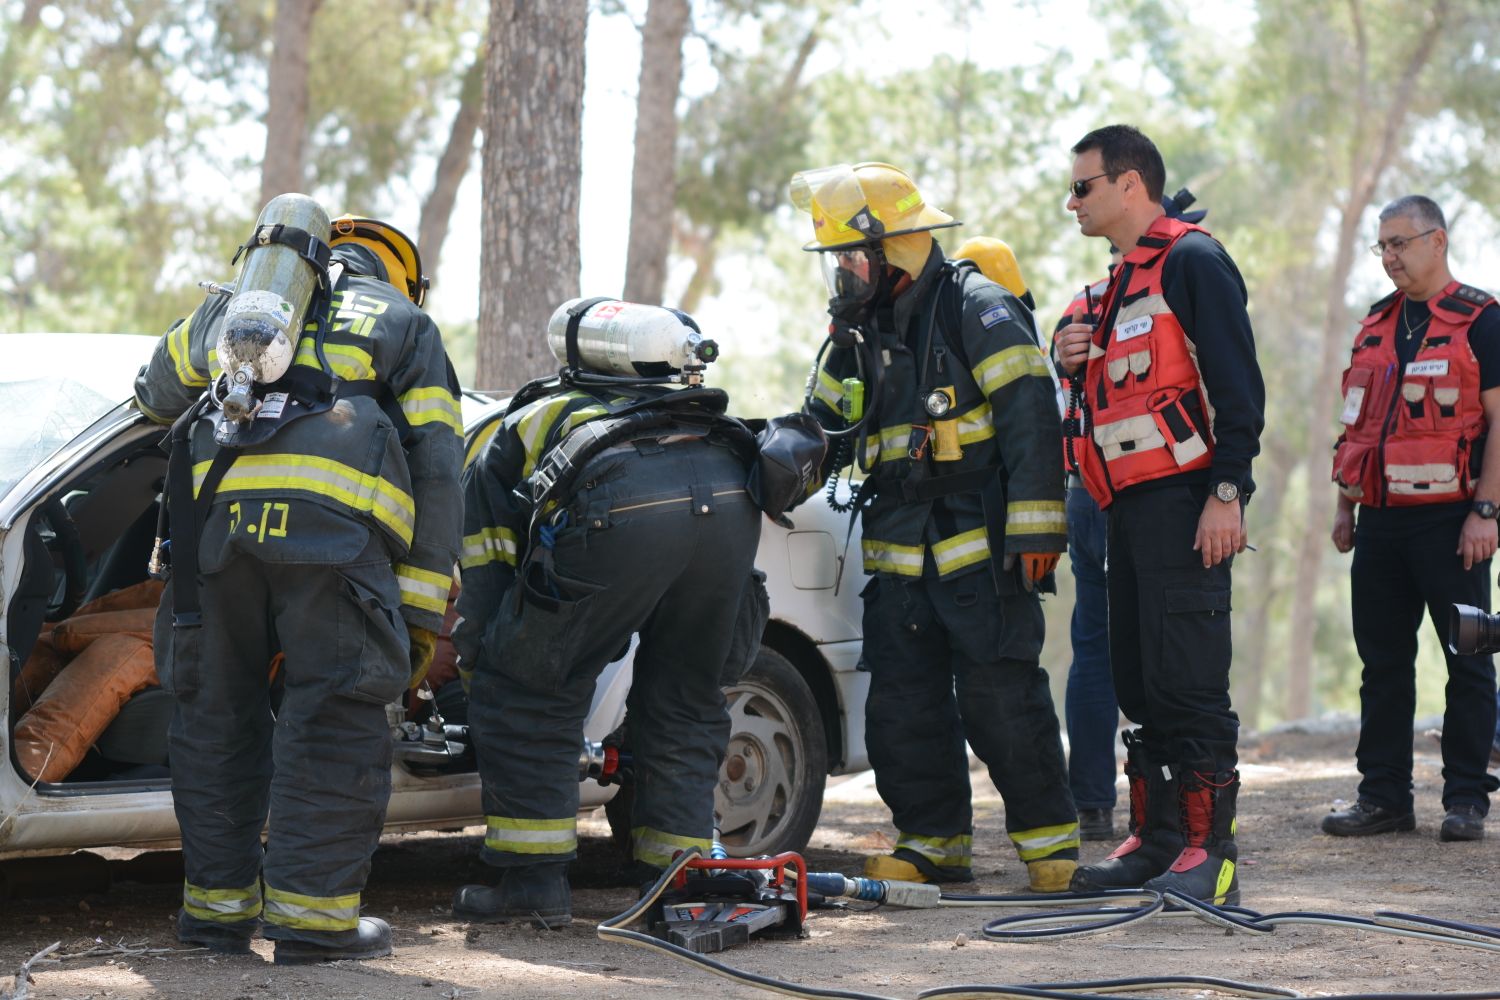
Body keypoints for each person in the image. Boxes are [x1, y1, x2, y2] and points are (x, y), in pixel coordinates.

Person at [134, 208, 463, 962]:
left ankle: (215, 915)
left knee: (215, 715)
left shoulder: (231, 310)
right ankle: (313, 922)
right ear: (394, 272)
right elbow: (440, 469)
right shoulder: (403, 322)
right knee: (335, 716)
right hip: (334, 547)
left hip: (214, 543)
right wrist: (415, 616)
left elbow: (156, 396)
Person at [794, 161, 1079, 892]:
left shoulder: (977, 309)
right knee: (902, 705)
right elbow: (820, 425)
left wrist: (1039, 530)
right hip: (899, 553)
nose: (844, 273)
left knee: (1002, 700)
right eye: (839, 261)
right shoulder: (857, 332)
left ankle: (1050, 847)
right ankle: (933, 843)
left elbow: (1030, 422)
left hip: (980, 549)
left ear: (896, 249)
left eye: (852, 256)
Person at [450, 300, 768, 927]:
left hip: (621, 508)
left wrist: (480, 660)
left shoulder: (527, 420)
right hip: (730, 496)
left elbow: (488, 561)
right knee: (684, 693)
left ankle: (531, 887)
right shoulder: (701, 414)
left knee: (527, 690)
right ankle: (678, 877)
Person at [1054, 126, 1264, 905]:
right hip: (1124, 510)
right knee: (1141, 683)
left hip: (1187, 504)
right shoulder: (1114, 286)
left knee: (1191, 682)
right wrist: (1066, 353)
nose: (1071, 201)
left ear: (1130, 184)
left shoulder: (1194, 261)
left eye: (1083, 186)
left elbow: (1241, 391)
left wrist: (1227, 492)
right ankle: (1158, 838)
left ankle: (1215, 852)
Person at [1323, 195, 1500, 842]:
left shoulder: (1482, 319)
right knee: (1383, 663)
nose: (1390, 257)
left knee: (1469, 660)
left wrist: (1487, 511)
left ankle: (1466, 800)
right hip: (1380, 521)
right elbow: (1359, 426)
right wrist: (1345, 505)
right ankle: (1384, 797)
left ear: (1438, 241)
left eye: (1400, 243)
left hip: (1453, 521)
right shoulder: (1375, 325)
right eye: (1383, 246)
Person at [1052, 191, 1207, 844]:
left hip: (1086, 487)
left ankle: (1095, 804)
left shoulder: (1078, 309)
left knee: (1094, 648)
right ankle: (1181, 810)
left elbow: (1063, 394)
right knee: (1173, 645)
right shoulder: (1176, 292)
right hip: (1151, 492)